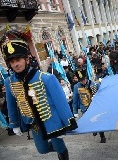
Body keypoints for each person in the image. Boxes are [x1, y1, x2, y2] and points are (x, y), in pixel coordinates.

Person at [0, 30, 77, 160]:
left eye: (18, 60)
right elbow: (12, 105)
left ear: (26, 59)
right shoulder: (9, 82)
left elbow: (61, 103)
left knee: (59, 146)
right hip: (33, 122)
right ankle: (58, 148)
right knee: (42, 150)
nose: (16, 64)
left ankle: (62, 154)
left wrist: (68, 123)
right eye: (12, 62)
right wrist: (14, 124)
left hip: (52, 120)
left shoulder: (46, 78)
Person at [72, 69, 106, 143]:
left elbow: (102, 94)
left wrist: (97, 96)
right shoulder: (76, 87)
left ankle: (102, 136)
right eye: (81, 80)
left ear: (86, 78)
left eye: (84, 79)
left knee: (98, 121)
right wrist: (75, 112)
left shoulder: (94, 84)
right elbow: (74, 100)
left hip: (95, 107)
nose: (83, 81)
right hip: (85, 108)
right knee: (90, 122)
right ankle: (94, 129)